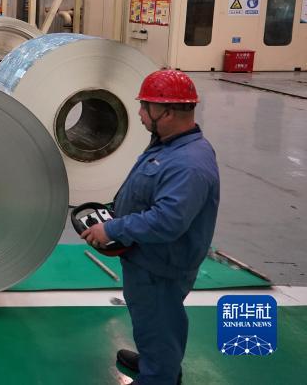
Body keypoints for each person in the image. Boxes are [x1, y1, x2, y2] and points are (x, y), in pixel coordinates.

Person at [80, 69, 219, 385]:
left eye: (146, 106)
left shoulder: (188, 163)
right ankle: (155, 360)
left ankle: (159, 376)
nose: (140, 113)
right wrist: (115, 213)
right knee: (151, 320)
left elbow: (168, 221)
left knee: (159, 322)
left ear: (167, 112)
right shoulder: (169, 145)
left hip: (161, 264)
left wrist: (112, 230)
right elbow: (149, 193)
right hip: (148, 258)